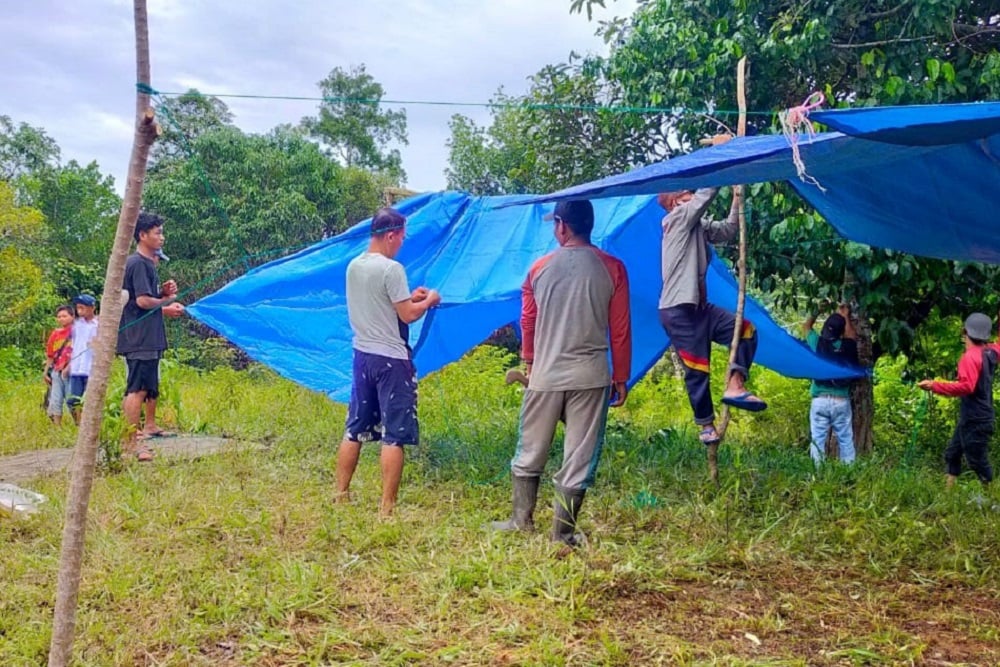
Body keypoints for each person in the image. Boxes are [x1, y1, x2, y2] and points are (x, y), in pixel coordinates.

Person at [491, 199, 631, 547]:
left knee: (531, 448)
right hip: (592, 376)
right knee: (579, 456)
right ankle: (563, 534)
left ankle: (520, 520)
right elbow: (620, 329)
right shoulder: (612, 268)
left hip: (545, 375)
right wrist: (622, 376)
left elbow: (528, 320)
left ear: (562, 227)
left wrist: (528, 361)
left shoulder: (538, 269)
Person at [657, 134, 765, 448]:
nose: (693, 196)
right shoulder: (677, 219)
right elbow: (706, 193)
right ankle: (704, 423)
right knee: (697, 367)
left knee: (744, 329)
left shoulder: (697, 226)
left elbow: (729, 230)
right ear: (678, 200)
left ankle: (735, 384)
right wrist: (724, 153)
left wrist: (736, 198)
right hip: (678, 309)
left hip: (699, 308)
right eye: (688, 192)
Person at [335, 207, 440, 517]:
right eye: (402, 238)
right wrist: (430, 300)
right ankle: (386, 508)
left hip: (362, 356)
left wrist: (412, 297)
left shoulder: (354, 266)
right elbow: (406, 315)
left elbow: (386, 304)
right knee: (394, 435)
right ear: (391, 235)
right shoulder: (392, 269)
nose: (402, 244)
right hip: (392, 361)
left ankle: (340, 494)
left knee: (354, 428)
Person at [117, 212, 185, 461]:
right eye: (157, 233)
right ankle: (130, 443)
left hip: (148, 336)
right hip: (139, 338)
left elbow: (147, 298)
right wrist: (165, 301)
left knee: (146, 387)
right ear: (143, 235)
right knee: (137, 389)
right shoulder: (137, 263)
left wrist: (162, 296)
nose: (162, 238)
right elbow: (143, 301)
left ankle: (140, 434)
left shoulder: (147, 264)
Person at [918, 313, 997, 488]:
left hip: (975, 418)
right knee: (953, 453)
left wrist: (934, 386)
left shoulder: (969, 358)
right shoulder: (990, 352)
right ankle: (947, 494)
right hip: (975, 416)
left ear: (964, 332)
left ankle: (993, 498)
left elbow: (967, 386)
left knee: (977, 461)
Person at [801, 305, 859, 464]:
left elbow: (806, 327)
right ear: (841, 333)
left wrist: (817, 309)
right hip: (841, 401)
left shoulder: (817, 343)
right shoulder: (848, 346)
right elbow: (851, 335)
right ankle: (848, 472)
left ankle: (817, 474)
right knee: (846, 439)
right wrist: (845, 316)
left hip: (819, 400)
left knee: (817, 439)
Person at [67, 294, 99, 426]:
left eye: (83, 307)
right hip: (76, 367)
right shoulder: (75, 325)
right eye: (78, 308)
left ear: (92, 307)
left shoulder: (99, 324)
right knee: (72, 400)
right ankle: (78, 424)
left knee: (90, 399)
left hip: (91, 366)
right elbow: (72, 344)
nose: (80, 311)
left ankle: (89, 425)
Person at [43, 304, 75, 426]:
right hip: (57, 370)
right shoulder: (55, 334)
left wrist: (69, 367)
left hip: (72, 371)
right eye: (59, 316)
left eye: (64, 316)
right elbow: (50, 355)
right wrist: (46, 372)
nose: (61, 319)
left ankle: (79, 424)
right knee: (55, 399)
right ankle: (57, 427)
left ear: (72, 316)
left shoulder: (77, 332)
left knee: (71, 399)